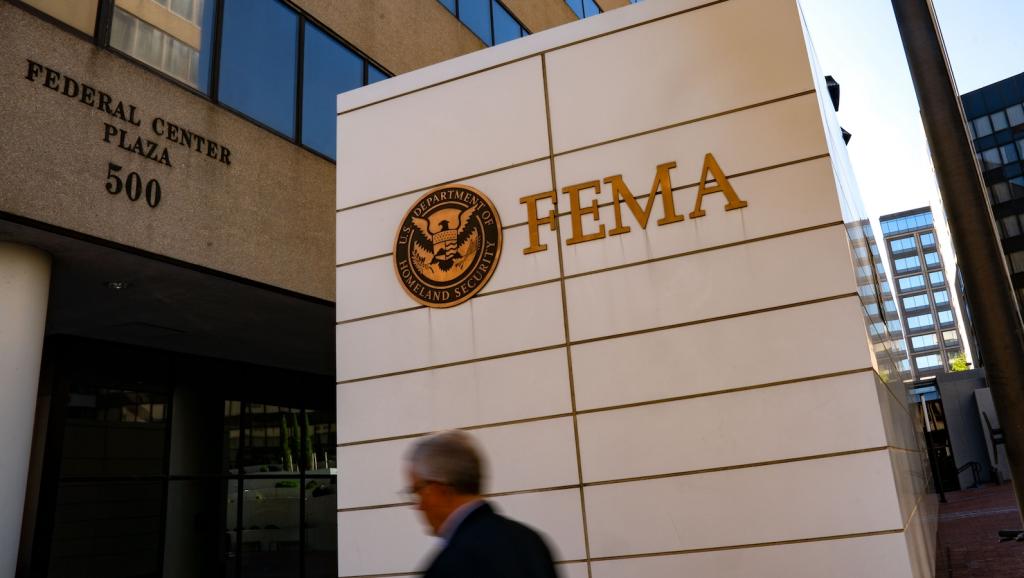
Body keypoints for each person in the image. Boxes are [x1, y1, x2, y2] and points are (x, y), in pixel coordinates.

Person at [405, 429, 558, 578]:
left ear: (440, 490)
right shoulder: (530, 542)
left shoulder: (450, 565)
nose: (419, 506)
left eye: (417, 491)